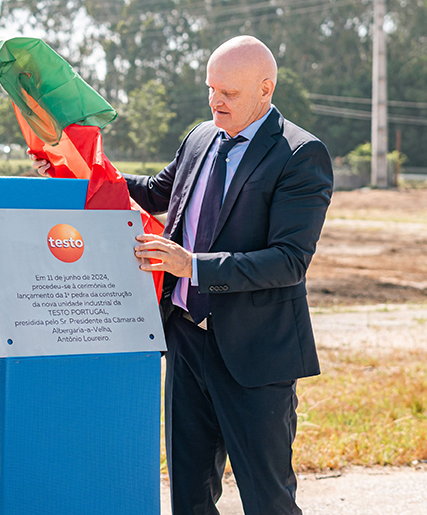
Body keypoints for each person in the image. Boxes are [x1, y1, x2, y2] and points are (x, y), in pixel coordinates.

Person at [36, 35, 332, 515]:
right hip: (186, 341)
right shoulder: (200, 136)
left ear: (265, 88)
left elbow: (288, 260)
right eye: (211, 89)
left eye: (229, 93)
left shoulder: (301, 155)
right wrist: (76, 170)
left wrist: (191, 265)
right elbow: (156, 193)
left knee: (267, 499)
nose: (216, 101)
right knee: (189, 497)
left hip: (255, 354)